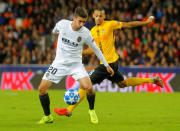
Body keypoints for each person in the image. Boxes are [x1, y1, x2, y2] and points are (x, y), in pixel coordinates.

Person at [55, 8, 163, 124]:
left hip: (109, 63)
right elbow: (92, 50)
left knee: (85, 85)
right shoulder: (92, 31)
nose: (99, 18)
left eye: (101, 16)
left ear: (104, 16)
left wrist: (145, 22)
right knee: (122, 84)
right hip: (108, 65)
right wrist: (79, 52)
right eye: (96, 16)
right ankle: (152, 80)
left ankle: (69, 110)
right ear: (93, 16)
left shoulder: (110, 25)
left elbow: (128, 24)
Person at [38, 7, 114, 124]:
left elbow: (96, 50)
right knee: (42, 89)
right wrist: (57, 33)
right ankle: (48, 116)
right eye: (80, 21)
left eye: (84, 21)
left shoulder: (85, 33)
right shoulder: (62, 24)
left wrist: (107, 65)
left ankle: (91, 110)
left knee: (89, 88)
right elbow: (54, 31)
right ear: (74, 18)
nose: (82, 24)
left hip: (76, 65)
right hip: (59, 63)